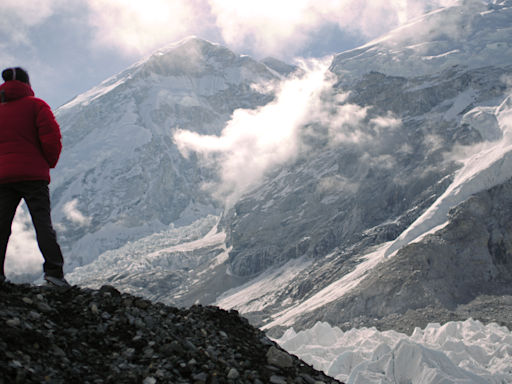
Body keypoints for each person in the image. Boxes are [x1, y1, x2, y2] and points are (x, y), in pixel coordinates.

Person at [0, 67, 70, 286]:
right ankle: (54, 274)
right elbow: (51, 138)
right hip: (33, 176)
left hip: (3, 178)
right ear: (27, 84)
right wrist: (47, 163)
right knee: (42, 224)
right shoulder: (37, 105)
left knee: (1, 226)